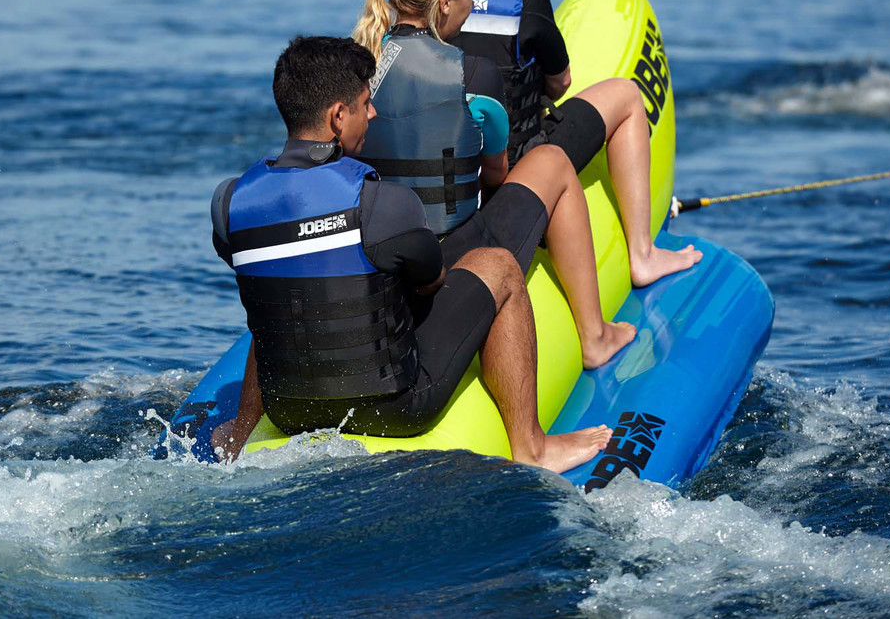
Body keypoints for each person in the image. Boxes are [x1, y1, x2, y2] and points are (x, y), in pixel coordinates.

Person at [209, 36, 611, 473]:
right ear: (338, 116)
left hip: (289, 412)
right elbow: (432, 279)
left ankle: (243, 428)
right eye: (366, 104)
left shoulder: (229, 203)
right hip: (394, 407)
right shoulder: (383, 202)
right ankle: (532, 446)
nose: (373, 114)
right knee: (498, 265)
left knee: (279, 293)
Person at [352, 0, 636, 369]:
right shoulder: (474, 74)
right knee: (552, 162)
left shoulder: (356, 69)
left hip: (379, 252)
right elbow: (496, 176)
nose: (470, 10)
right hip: (454, 251)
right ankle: (594, 335)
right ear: (444, 1)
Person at [438, 0, 702, 287]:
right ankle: (642, 255)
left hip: (445, 170)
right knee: (627, 96)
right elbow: (561, 82)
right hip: (514, 168)